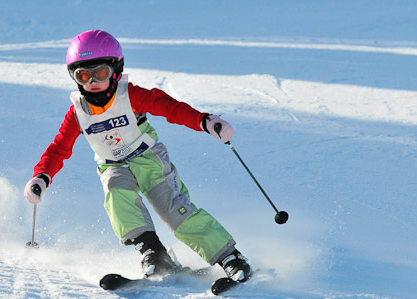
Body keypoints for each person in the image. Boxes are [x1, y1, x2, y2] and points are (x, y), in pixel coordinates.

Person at [24, 30, 252, 283]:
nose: (92, 82)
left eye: (99, 73)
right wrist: (42, 176)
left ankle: (229, 256)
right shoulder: (78, 112)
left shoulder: (131, 95)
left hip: (148, 159)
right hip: (112, 165)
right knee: (116, 196)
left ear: (115, 69)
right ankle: (154, 253)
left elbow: (170, 108)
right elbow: (59, 148)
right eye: (82, 75)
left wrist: (204, 121)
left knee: (173, 211)